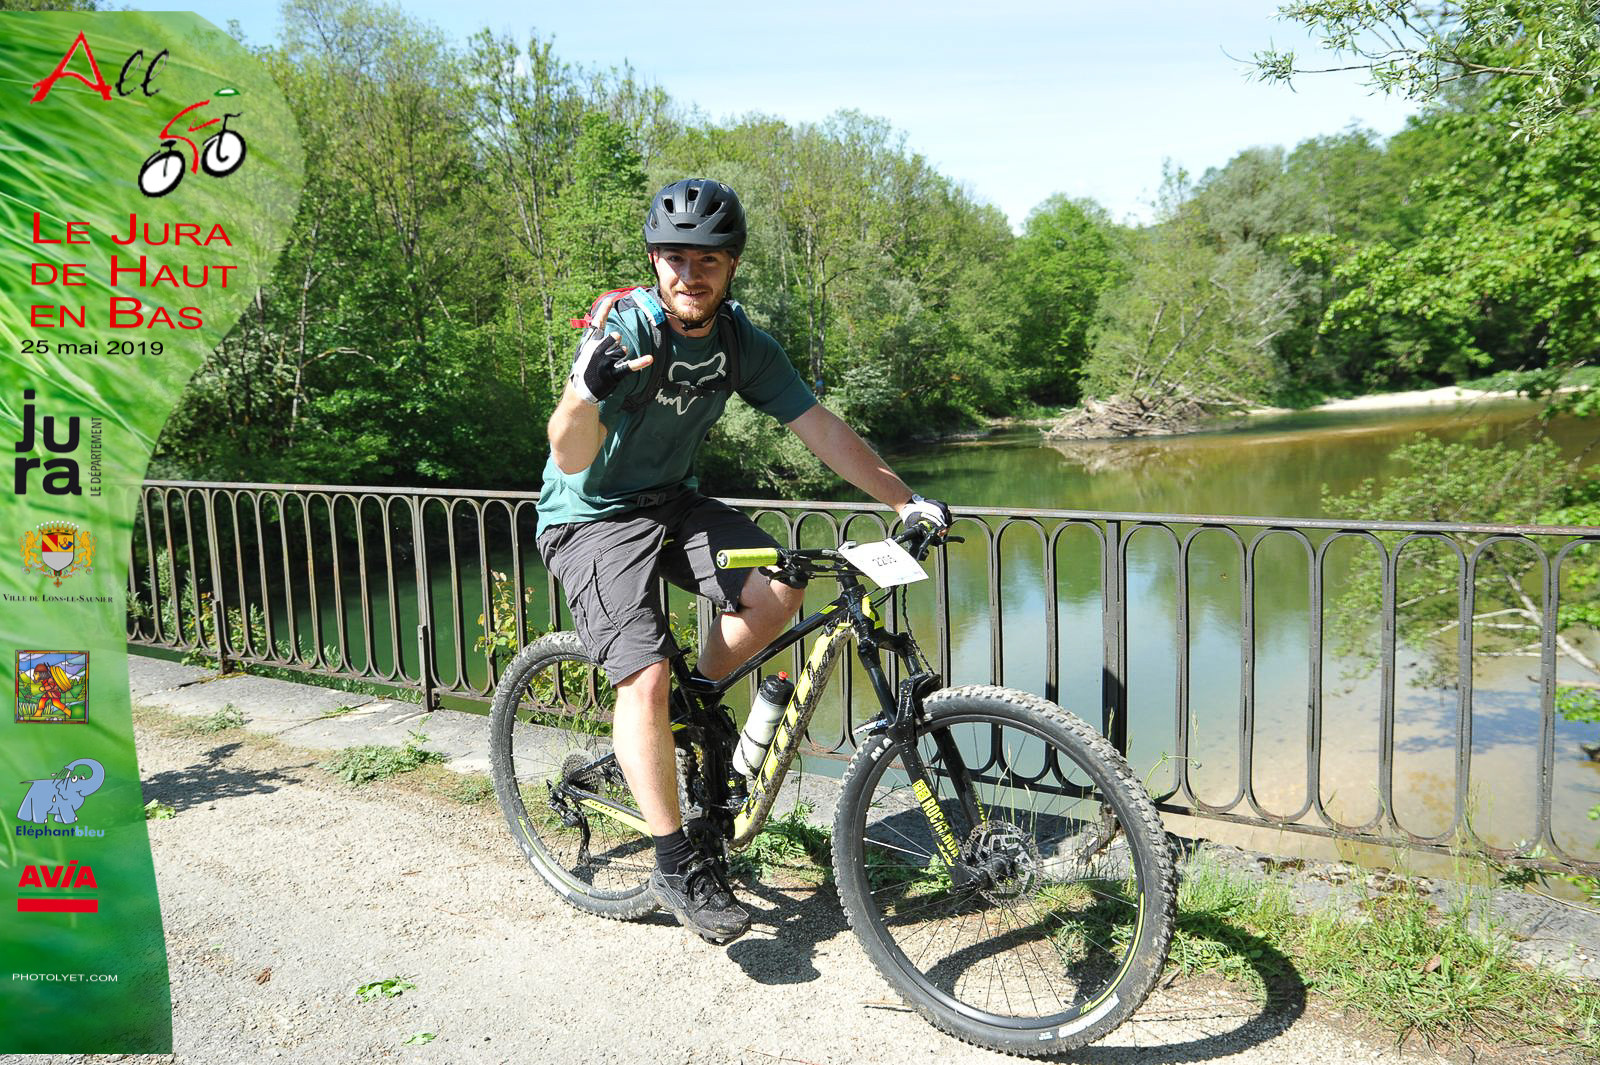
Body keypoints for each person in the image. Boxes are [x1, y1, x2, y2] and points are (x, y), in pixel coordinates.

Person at [535, 177, 950, 944]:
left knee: (780, 583)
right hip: (589, 518)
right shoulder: (626, 331)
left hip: (673, 501)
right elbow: (569, 454)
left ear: (731, 266)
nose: (689, 274)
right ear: (654, 261)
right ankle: (675, 862)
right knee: (643, 675)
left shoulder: (737, 342)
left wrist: (904, 500)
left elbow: (817, 425)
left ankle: (689, 715)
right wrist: (583, 396)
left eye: (708, 261)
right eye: (675, 258)